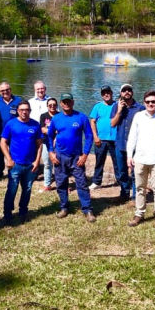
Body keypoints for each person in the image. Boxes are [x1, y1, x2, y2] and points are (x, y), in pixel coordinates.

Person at [126, 90, 155, 231]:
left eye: (153, 101)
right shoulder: (138, 117)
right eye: (148, 102)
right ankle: (139, 214)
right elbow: (132, 137)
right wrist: (129, 155)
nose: (150, 104)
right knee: (140, 188)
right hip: (139, 159)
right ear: (144, 103)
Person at [48, 93, 96, 222]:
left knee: (82, 184)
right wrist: (51, 152)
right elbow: (49, 136)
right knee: (61, 183)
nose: (67, 103)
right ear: (61, 103)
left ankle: (87, 209)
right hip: (60, 157)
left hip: (76, 157)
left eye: (69, 101)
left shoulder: (81, 117)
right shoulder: (56, 119)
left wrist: (85, 154)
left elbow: (89, 136)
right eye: (64, 101)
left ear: (73, 102)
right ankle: (64, 207)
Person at [0, 100, 42, 224]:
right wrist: (8, 159)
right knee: (12, 189)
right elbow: (3, 142)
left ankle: (23, 212)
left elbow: (39, 145)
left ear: (30, 111)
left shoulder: (35, 125)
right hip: (15, 164)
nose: (24, 112)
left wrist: (37, 161)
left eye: (27, 109)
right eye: (22, 109)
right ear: (18, 111)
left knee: (27, 189)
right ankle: (7, 214)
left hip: (30, 165)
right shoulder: (11, 124)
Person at [110, 84, 144, 203]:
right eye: (124, 90)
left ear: (132, 93)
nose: (127, 92)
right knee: (122, 171)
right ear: (121, 93)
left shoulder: (140, 108)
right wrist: (119, 111)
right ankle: (124, 194)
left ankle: (136, 197)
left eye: (129, 90)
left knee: (136, 172)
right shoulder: (116, 106)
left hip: (135, 147)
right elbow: (112, 124)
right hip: (120, 144)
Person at [0, 82, 22, 180]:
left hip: (15, 133)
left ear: (10, 90)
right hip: (0, 132)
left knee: (15, 151)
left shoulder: (18, 101)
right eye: (2, 91)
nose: (5, 92)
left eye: (6, 90)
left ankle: (14, 170)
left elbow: (24, 115)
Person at [89, 85, 119, 190]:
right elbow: (92, 121)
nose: (106, 94)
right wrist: (95, 136)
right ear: (102, 95)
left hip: (115, 140)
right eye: (104, 93)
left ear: (112, 93)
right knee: (99, 161)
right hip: (101, 140)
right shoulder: (97, 106)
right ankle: (97, 182)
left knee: (118, 162)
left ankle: (120, 182)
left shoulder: (117, 105)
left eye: (108, 92)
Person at [28, 80, 50, 182]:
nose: (40, 90)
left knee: (46, 157)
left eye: (42, 88)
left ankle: (47, 177)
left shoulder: (50, 101)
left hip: (46, 133)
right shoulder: (30, 102)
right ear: (34, 90)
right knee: (32, 154)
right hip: (33, 131)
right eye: (38, 89)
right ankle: (33, 174)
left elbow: (55, 116)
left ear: (45, 89)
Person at [37, 98, 59, 193]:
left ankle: (62, 185)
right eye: (50, 105)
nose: (52, 106)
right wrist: (55, 131)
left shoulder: (60, 115)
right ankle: (47, 185)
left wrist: (49, 130)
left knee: (60, 165)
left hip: (59, 143)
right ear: (47, 106)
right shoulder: (43, 116)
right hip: (46, 143)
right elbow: (42, 129)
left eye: (54, 104)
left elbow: (62, 130)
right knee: (47, 164)